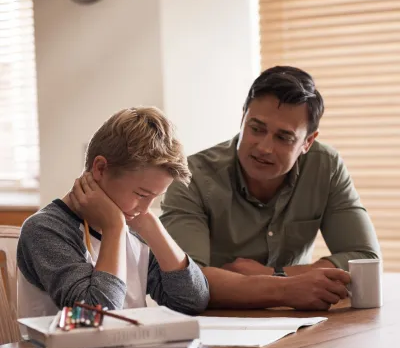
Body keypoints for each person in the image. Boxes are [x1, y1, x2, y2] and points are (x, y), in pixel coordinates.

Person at [160, 65, 380, 310]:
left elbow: (366, 260)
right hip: (218, 324)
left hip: (302, 325)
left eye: (283, 137)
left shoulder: (325, 166)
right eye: (256, 129)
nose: (264, 147)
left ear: (308, 142)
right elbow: (185, 281)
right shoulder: (192, 176)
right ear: (242, 117)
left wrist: (275, 273)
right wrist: (285, 287)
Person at [17, 107, 209, 318]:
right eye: (141, 194)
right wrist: (114, 227)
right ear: (100, 168)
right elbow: (95, 315)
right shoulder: (46, 230)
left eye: (155, 197)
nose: (145, 209)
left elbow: (192, 301)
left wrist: (152, 228)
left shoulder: (136, 225)